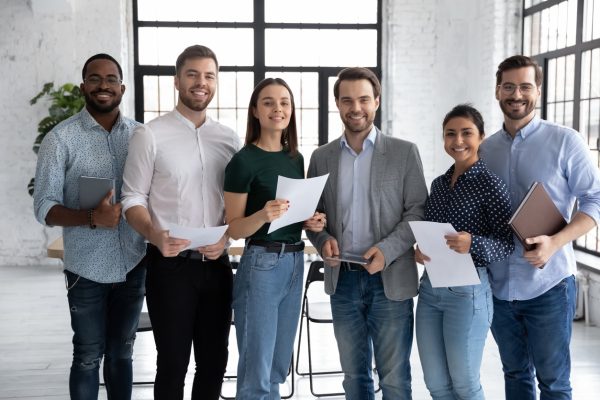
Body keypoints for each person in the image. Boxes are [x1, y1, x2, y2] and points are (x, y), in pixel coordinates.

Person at [121, 45, 241, 400]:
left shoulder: (229, 140)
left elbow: (234, 206)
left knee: (215, 362)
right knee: (172, 363)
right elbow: (132, 198)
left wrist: (229, 239)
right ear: (177, 81)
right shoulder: (150, 134)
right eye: (192, 74)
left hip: (217, 266)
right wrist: (154, 235)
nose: (200, 83)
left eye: (208, 76)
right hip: (170, 267)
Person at [480, 55, 600, 399]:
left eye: (524, 86)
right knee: (515, 376)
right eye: (508, 86)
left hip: (549, 285)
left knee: (554, 383)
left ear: (538, 91)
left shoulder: (566, 141)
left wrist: (556, 241)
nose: (516, 94)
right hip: (499, 287)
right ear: (497, 91)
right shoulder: (485, 150)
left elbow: (595, 199)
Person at [306, 67, 428, 399]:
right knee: (354, 378)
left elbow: (417, 211)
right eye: (347, 100)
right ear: (337, 104)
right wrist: (322, 238)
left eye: (363, 99)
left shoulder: (404, 153)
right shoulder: (321, 158)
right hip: (342, 280)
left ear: (376, 102)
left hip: (389, 280)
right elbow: (314, 218)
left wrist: (387, 250)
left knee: (394, 379)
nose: (355, 107)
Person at [33, 53, 146, 400]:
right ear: (83, 86)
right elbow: (44, 207)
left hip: (134, 263)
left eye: (111, 78)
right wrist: (91, 218)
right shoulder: (60, 139)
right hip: (86, 268)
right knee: (86, 356)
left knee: (122, 352)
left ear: (122, 87)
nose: (103, 85)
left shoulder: (142, 136)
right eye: (94, 78)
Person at [223, 77, 326, 399]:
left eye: (284, 102)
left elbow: (294, 215)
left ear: (291, 111)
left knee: (279, 366)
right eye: (268, 102)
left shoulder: (295, 158)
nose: (277, 108)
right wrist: (261, 216)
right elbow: (234, 229)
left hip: (296, 261)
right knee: (258, 369)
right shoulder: (243, 161)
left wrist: (312, 221)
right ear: (255, 110)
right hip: (262, 265)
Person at [414, 104, 514, 399]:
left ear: (481, 137)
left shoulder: (491, 185)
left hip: (468, 292)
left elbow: (508, 243)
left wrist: (475, 243)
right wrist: (419, 251)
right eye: (450, 134)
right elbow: (432, 232)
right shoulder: (439, 184)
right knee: (436, 384)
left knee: (465, 384)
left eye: (466, 133)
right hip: (430, 290)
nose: (458, 141)